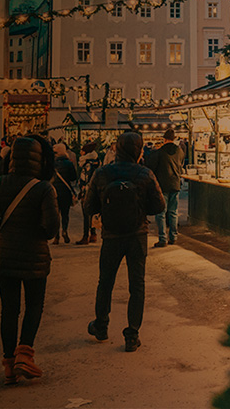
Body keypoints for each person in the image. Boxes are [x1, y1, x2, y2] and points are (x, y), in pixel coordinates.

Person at [0, 135, 59, 385]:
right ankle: (25, 352)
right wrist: (38, 233)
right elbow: (52, 228)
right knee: (34, 306)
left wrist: (2, 226)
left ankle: (9, 365)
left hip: (5, 252)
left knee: (9, 310)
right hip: (34, 254)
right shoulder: (44, 188)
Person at [83, 132, 164, 352]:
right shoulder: (145, 174)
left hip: (111, 236)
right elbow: (159, 206)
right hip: (137, 235)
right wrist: (138, 208)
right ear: (138, 151)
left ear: (117, 149)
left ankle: (101, 326)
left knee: (105, 281)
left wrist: (107, 209)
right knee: (137, 285)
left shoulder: (102, 173)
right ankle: (132, 334)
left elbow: (88, 206)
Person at [145, 128, 186, 248]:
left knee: (161, 213)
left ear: (164, 139)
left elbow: (151, 167)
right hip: (176, 184)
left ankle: (163, 239)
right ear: (173, 139)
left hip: (162, 185)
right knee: (173, 212)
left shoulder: (159, 152)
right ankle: (173, 237)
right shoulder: (180, 151)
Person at [52, 143, 78, 245]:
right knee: (65, 213)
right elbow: (73, 177)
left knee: (56, 214)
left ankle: (56, 236)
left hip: (54, 190)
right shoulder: (68, 163)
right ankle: (65, 230)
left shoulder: (52, 163)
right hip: (65, 191)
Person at [75, 142, 101, 245]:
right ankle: (93, 235)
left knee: (86, 214)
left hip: (87, 191)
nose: (80, 152)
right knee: (93, 212)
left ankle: (85, 236)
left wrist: (82, 191)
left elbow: (84, 179)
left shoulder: (87, 164)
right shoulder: (97, 161)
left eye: (82, 150)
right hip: (96, 191)